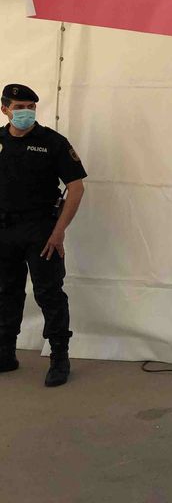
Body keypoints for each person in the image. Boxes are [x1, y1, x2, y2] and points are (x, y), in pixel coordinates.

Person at [0, 83, 87, 388]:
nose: (26, 113)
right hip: (4, 229)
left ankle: (59, 359)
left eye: (31, 107)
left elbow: (76, 187)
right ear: (5, 109)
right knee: (5, 292)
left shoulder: (52, 142)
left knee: (49, 294)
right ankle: (6, 354)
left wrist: (59, 231)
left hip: (41, 230)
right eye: (19, 107)